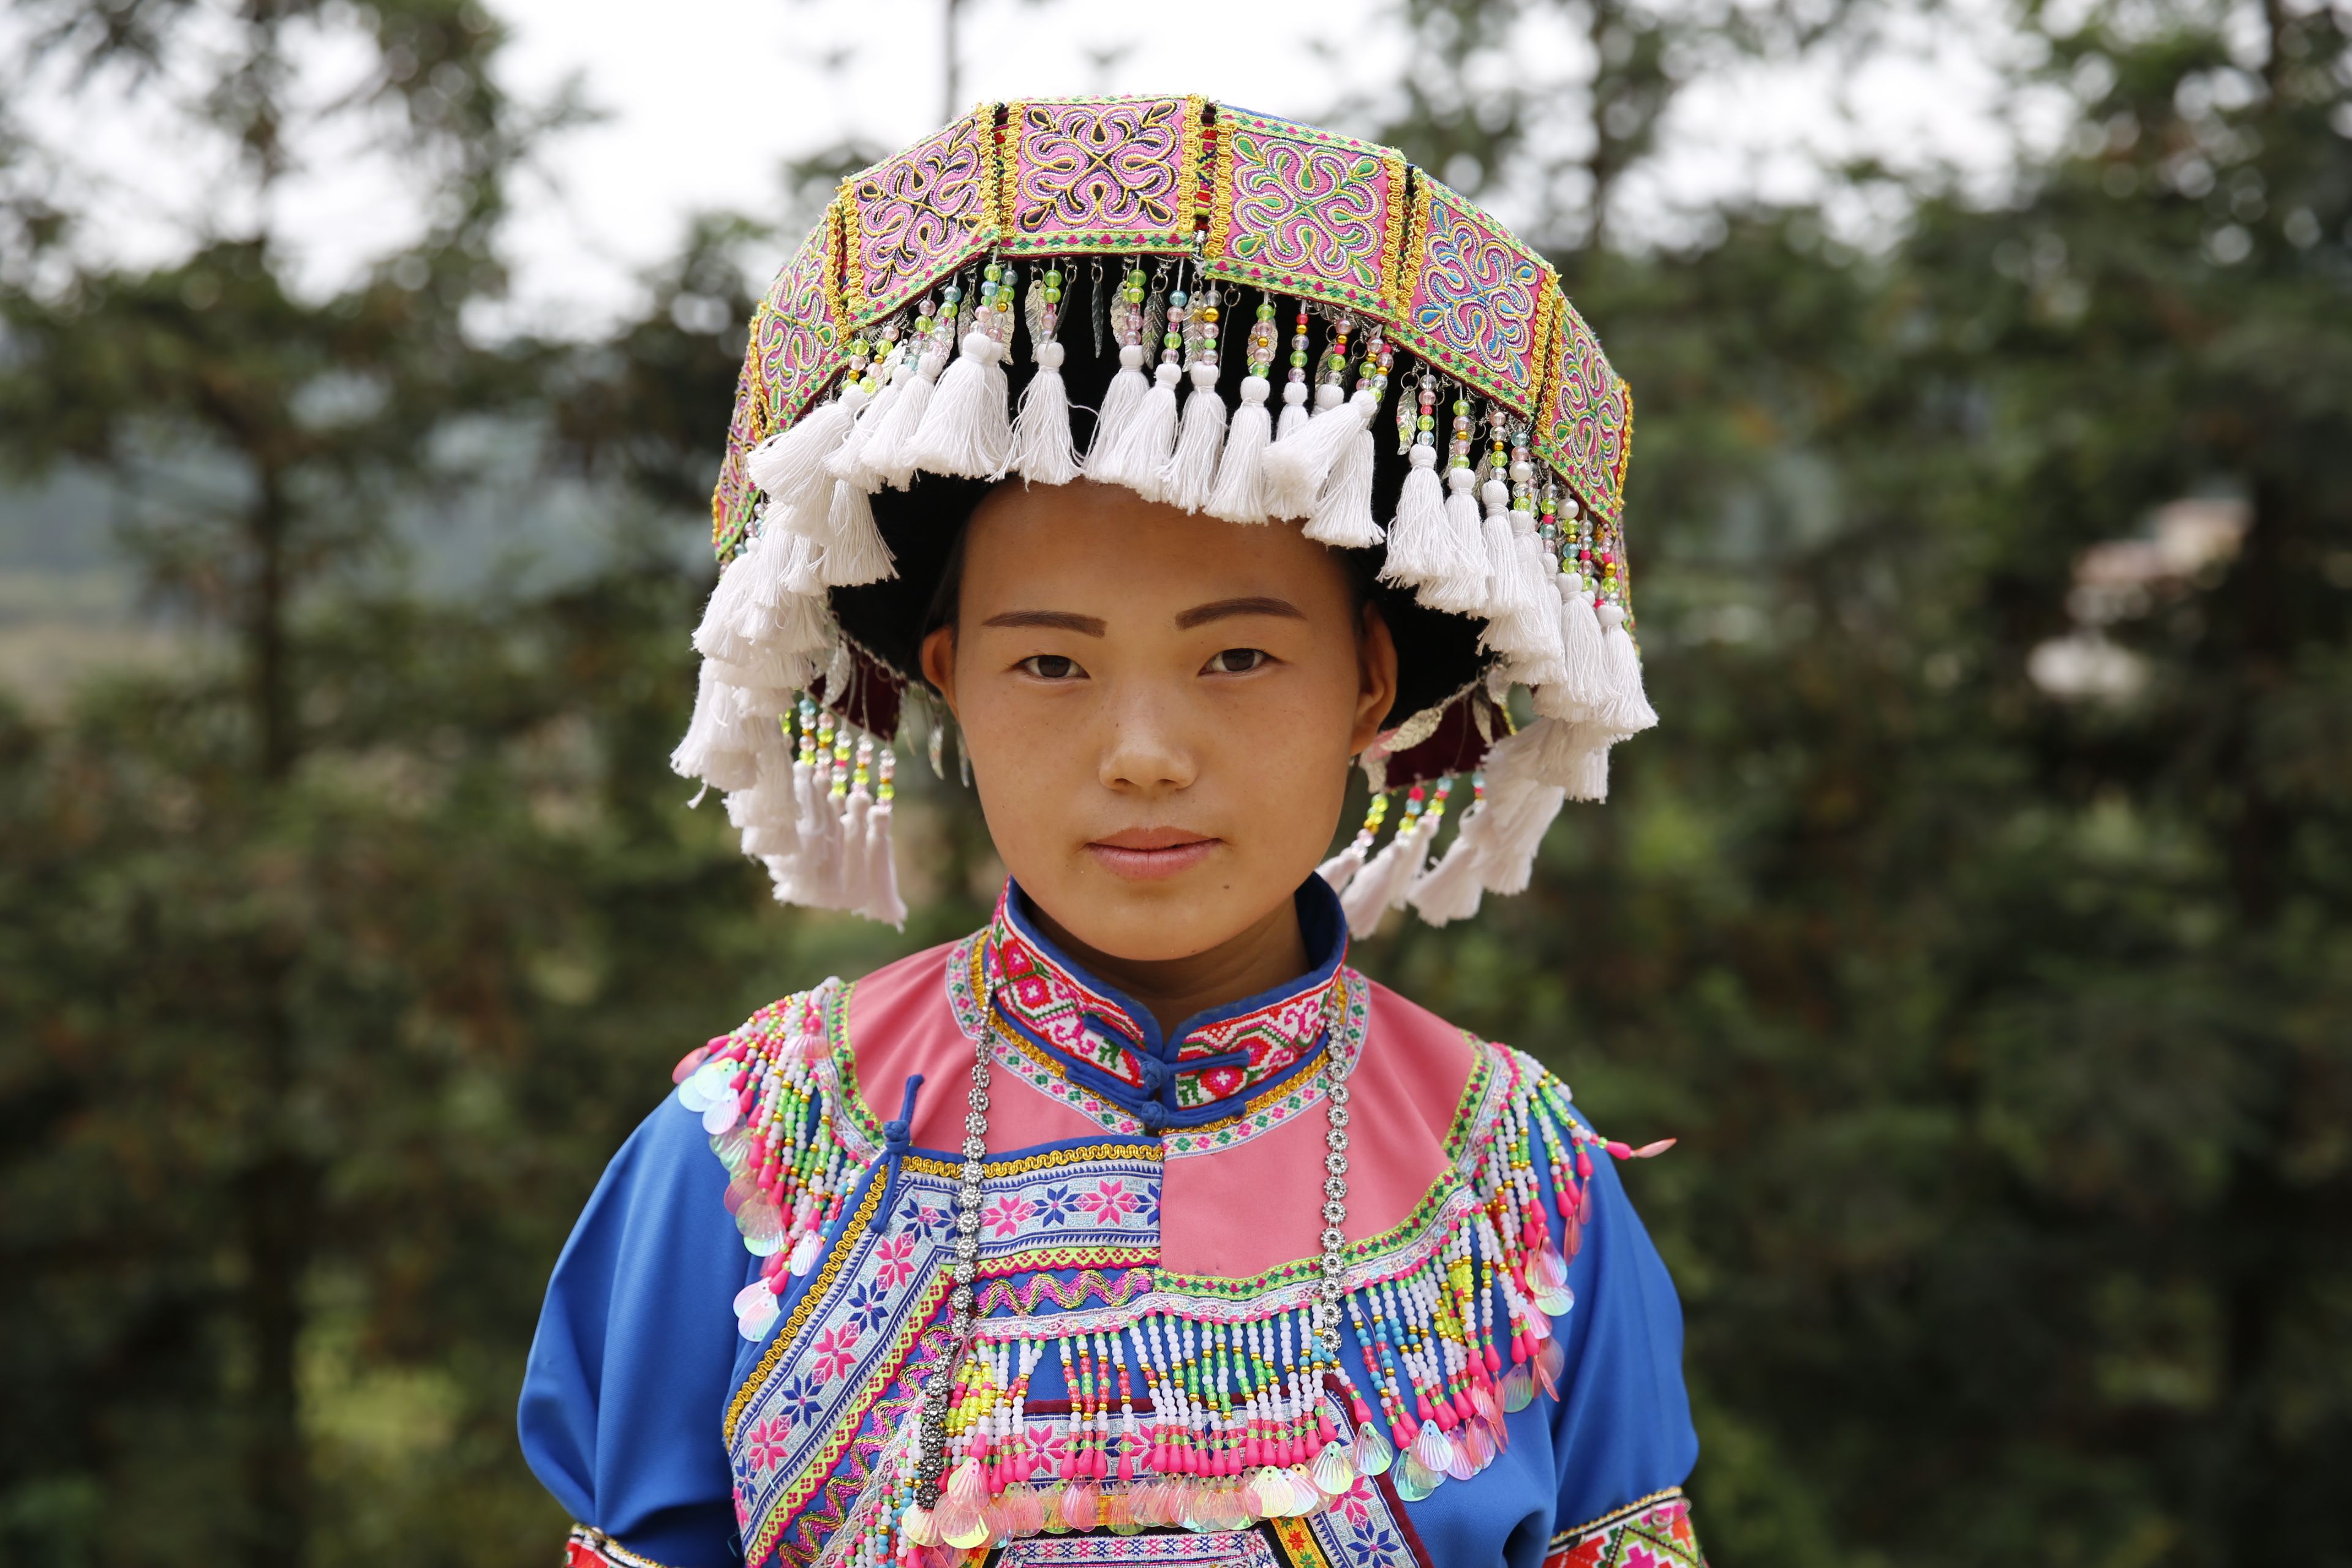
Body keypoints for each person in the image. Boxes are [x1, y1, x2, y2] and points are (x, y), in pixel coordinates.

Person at [519, 95, 1699, 1568]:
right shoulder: (749, 1156)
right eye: (1053, 664)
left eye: (1238, 658)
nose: (1144, 755)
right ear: (948, 680)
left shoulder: (1528, 1194)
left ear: (1370, 686)